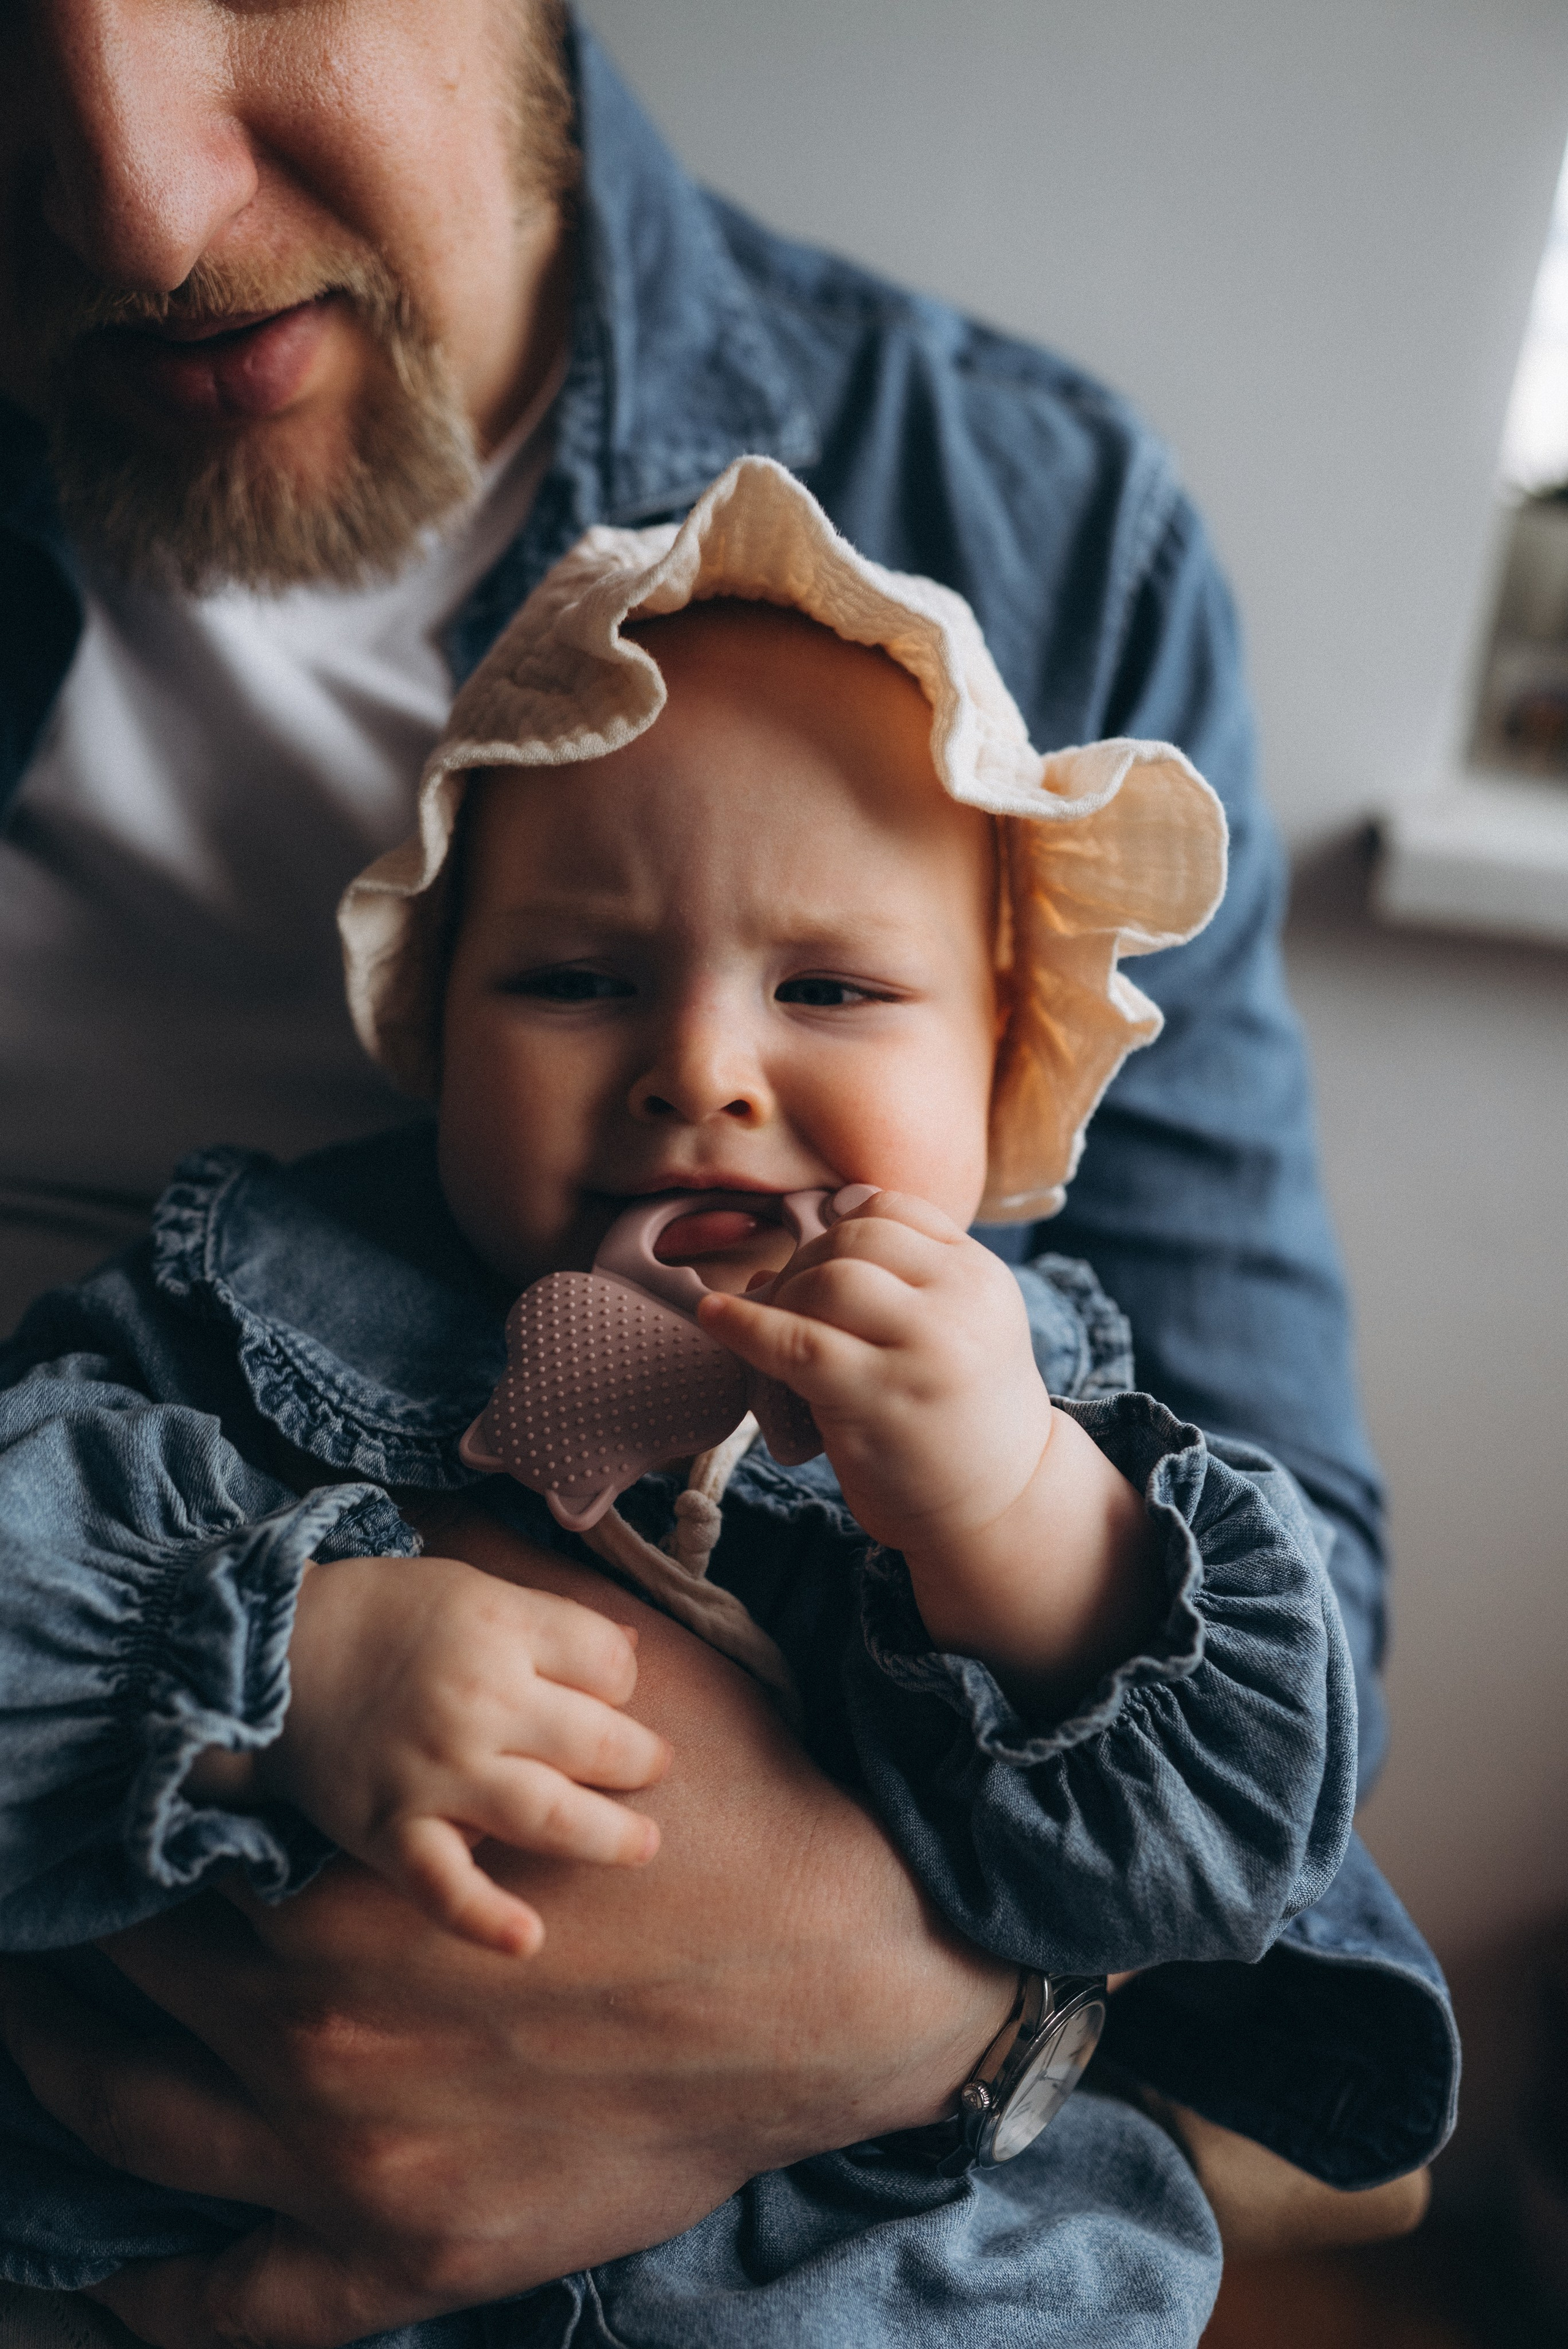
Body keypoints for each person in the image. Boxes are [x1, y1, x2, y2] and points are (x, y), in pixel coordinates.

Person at [0, 6, 1455, 2345]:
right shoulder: (256, 1285)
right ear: (426, 1024)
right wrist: (290, 1658)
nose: (699, 1072)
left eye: (837, 993)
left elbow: (1267, 1795)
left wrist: (1018, 1536)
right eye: (574, 982)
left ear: (1011, 1076)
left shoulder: (1051, 1397)